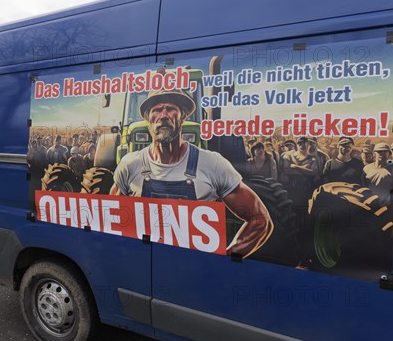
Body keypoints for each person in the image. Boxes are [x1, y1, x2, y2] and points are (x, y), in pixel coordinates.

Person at [111, 88, 273, 258]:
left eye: (171, 108)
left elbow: (260, 219)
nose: (164, 114)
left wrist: (227, 258)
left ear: (184, 116)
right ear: (148, 118)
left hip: (194, 274)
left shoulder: (213, 163)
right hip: (143, 267)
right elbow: (113, 222)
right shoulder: (129, 164)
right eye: (157, 109)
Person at [362, 142, 393, 206]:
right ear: (374, 153)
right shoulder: (366, 169)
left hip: (387, 206)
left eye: (384, 152)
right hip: (369, 204)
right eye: (379, 151)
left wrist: (391, 203)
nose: (381, 154)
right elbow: (363, 187)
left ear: (389, 153)